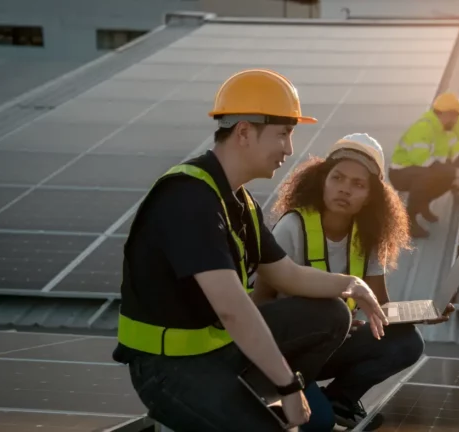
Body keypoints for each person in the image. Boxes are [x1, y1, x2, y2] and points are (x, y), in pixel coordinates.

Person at [111, 68, 388, 432]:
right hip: (166, 368)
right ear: (243, 132)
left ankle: (252, 401)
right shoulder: (189, 198)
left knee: (333, 314)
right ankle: (221, 410)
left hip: (215, 351)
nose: (290, 149)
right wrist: (288, 385)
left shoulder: (240, 202)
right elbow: (233, 309)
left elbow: (286, 273)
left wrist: (352, 283)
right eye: (283, 134)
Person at [253, 133, 455, 431]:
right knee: (317, 424)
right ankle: (292, 400)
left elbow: (380, 307)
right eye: (337, 178)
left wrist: (424, 312)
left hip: (334, 342)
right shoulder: (292, 227)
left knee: (407, 342)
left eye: (358, 184)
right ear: (323, 180)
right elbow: (260, 304)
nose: (344, 189)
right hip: (289, 352)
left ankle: (339, 399)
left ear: (371, 196)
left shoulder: (368, 238)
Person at [388, 92, 459, 238]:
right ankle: (407, 223)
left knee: (447, 177)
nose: (458, 119)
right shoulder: (423, 128)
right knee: (429, 175)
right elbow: (424, 162)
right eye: (456, 115)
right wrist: (455, 172)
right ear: (448, 114)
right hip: (400, 174)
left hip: (422, 171)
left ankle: (422, 204)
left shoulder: (444, 132)